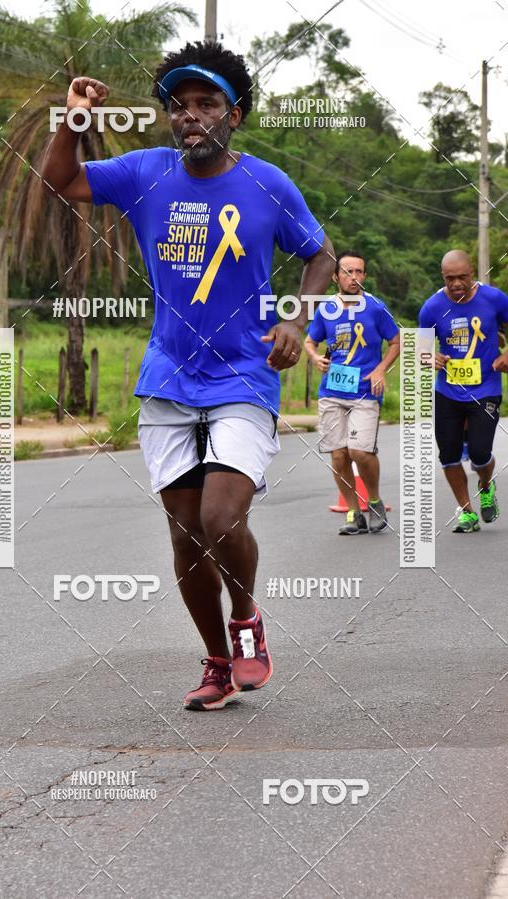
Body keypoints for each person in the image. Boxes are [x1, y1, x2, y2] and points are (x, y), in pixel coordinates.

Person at [42, 41, 334, 709]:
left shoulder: (267, 184)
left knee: (221, 517)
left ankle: (247, 618)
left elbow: (319, 254)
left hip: (242, 375)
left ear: (236, 114)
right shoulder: (146, 172)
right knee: (184, 533)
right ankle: (216, 661)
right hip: (169, 375)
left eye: (205, 104)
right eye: (179, 105)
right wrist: (76, 117)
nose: (190, 116)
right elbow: (62, 180)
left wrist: (295, 319)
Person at [304, 251, 400, 535]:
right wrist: (314, 357)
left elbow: (395, 341)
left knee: (359, 451)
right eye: (348, 272)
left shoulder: (376, 308)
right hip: (332, 390)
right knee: (338, 456)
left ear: (365, 276)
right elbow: (310, 340)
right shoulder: (326, 310)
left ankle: (374, 501)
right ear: (336, 277)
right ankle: (353, 513)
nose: (354, 277)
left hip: (365, 391)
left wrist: (382, 368)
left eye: (359, 272)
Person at [419, 249, 508, 532]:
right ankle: (466, 511)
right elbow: (419, 349)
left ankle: (485, 486)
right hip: (447, 390)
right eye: (450, 278)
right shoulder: (431, 308)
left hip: (485, 387)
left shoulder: (494, 299)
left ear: (473, 273)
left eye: (463, 277)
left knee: (481, 453)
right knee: (449, 455)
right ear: (442, 276)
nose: (457, 284)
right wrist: (428, 357)